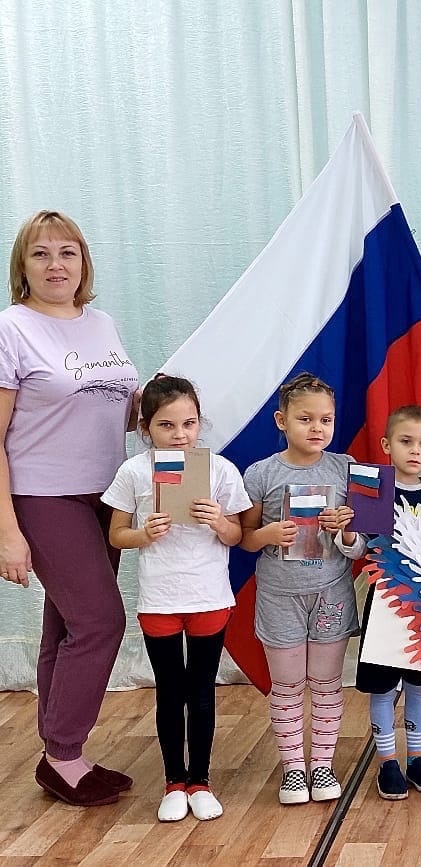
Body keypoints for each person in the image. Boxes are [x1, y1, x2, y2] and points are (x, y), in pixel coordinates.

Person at [0, 211, 139, 806]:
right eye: (41, 253)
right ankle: (63, 753)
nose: (55, 264)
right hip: (44, 494)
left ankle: (62, 755)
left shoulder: (100, 323)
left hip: (105, 494)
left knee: (67, 625)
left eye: (67, 252)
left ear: (83, 262)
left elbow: (113, 407)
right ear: (22, 266)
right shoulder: (12, 328)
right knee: (101, 622)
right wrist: (7, 531)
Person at [102, 375, 251, 820]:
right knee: (169, 690)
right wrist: (144, 533)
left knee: (202, 689)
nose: (180, 434)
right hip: (159, 600)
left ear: (200, 423)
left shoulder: (219, 470)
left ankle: (200, 781)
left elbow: (238, 535)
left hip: (209, 597)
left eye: (188, 424)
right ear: (146, 428)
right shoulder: (134, 471)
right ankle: (174, 782)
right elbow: (116, 535)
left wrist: (218, 521)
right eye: (166, 425)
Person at [240, 373, 367, 804]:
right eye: (305, 419)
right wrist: (268, 534)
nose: (317, 428)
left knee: (328, 682)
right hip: (280, 596)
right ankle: (294, 769)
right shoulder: (261, 474)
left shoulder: (346, 468)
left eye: (326, 419)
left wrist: (346, 531)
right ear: (282, 421)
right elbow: (244, 539)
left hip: (331, 593)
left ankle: (323, 765)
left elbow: (361, 545)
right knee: (288, 685)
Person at [356, 405, 421, 800]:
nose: (415, 450)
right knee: (382, 685)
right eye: (406, 441)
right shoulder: (375, 488)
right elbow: (358, 548)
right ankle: (387, 761)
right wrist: (348, 533)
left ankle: (417, 758)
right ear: (386, 445)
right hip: (385, 601)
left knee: (419, 684)